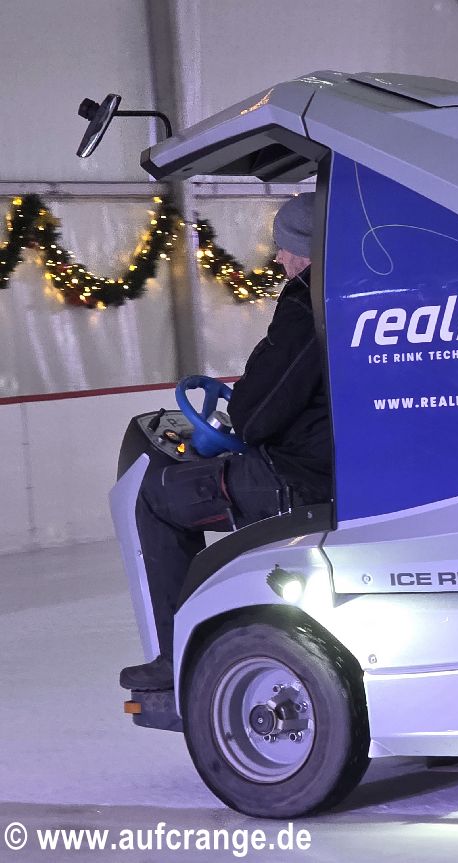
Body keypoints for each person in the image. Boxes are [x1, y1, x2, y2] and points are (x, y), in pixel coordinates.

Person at [120, 193, 330, 691]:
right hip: (333, 465)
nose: (280, 259)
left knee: (155, 497)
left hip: (300, 475)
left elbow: (257, 415)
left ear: (305, 250)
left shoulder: (307, 304)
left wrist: (241, 416)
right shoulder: (353, 295)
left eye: (285, 248)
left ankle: (174, 655)